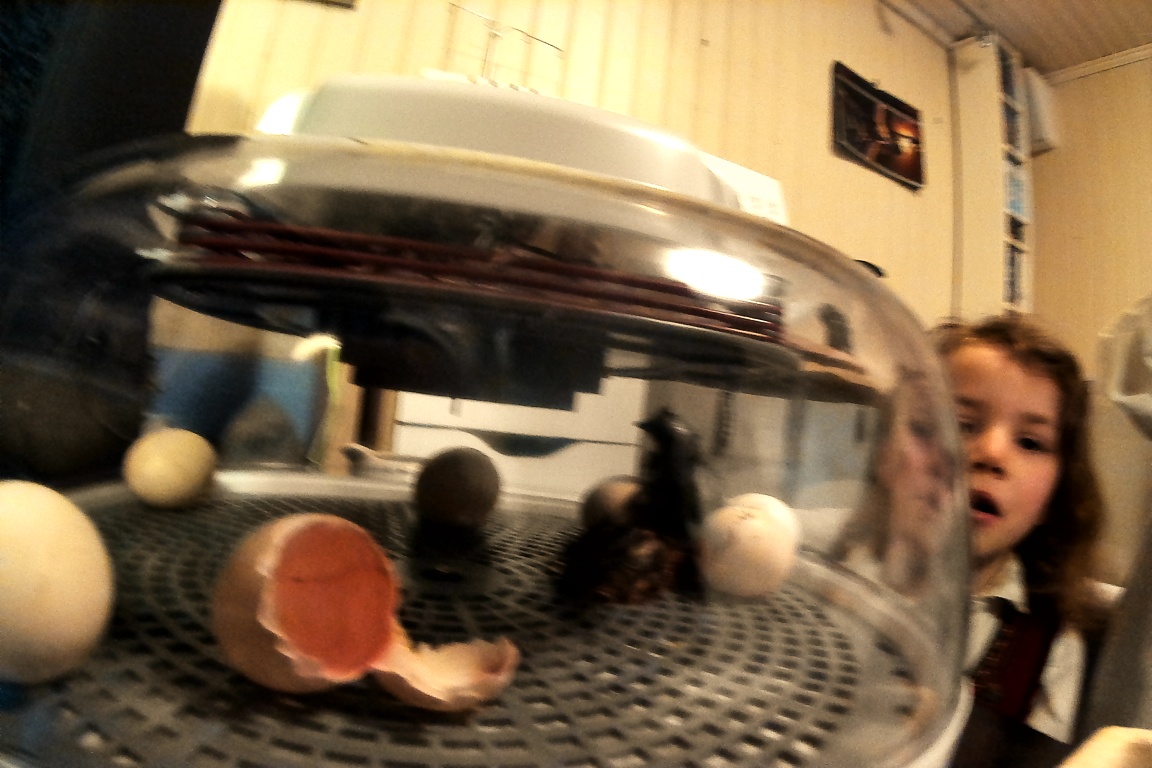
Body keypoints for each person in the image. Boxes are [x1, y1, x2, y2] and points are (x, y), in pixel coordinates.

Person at [934, 313, 1106, 751]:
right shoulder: (834, 566)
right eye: (962, 423)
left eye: (1030, 442)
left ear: (1054, 499)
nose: (992, 454)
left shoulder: (1051, 643)